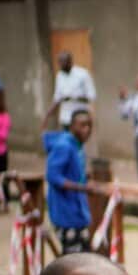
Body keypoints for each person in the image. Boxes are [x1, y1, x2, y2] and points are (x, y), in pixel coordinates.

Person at [41, 105, 95, 253]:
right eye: (83, 125)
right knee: (73, 261)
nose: (87, 129)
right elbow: (53, 176)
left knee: (84, 257)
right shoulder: (64, 146)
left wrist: (84, 176)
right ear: (72, 126)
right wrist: (82, 187)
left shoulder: (78, 147)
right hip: (66, 215)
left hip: (78, 213)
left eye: (90, 125)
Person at [52, 51, 96, 130]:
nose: (61, 65)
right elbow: (57, 97)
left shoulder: (82, 74)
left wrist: (75, 98)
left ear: (70, 61)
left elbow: (92, 96)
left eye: (63, 62)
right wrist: (49, 114)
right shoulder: (59, 76)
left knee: (78, 140)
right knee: (66, 140)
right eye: (59, 62)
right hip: (65, 117)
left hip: (80, 117)